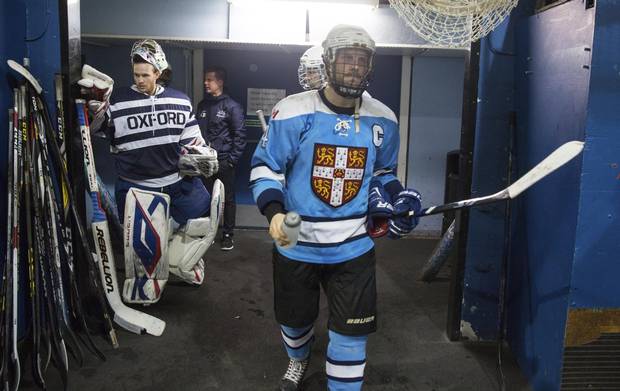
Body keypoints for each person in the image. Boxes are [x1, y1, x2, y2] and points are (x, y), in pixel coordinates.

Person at [250, 25, 422, 391]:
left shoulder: (384, 118)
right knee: (294, 322)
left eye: (361, 61)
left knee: (351, 333)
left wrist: (399, 197)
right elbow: (266, 167)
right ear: (329, 61)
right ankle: (298, 359)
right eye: (347, 59)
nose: (354, 68)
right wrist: (274, 212)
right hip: (296, 236)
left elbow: (381, 173)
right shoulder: (293, 110)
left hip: (353, 244)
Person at [78, 39, 219, 293]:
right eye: (136, 74)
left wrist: (202, 154)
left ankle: (184, 260)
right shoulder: (117, 101)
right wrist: (95, 112)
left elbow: (193, 141)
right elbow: (94, 130)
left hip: (176, 182)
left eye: (146, 74)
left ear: (158, 72)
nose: (140, 80)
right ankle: (147, 278)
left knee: (206, 216)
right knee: (144, 253)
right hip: (136, 188)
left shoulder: (181, 101)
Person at [196, 66, 247, 251]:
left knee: (228, 199)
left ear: (220, 82)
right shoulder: (203, 105)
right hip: (203, 162)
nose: (205, 83)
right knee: (203, 197)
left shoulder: (232, 106)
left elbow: (240, 136)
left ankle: (227, 234)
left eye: (209, 80)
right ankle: (206, 232)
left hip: (224, 162)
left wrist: (232, 160)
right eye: (205, 79)